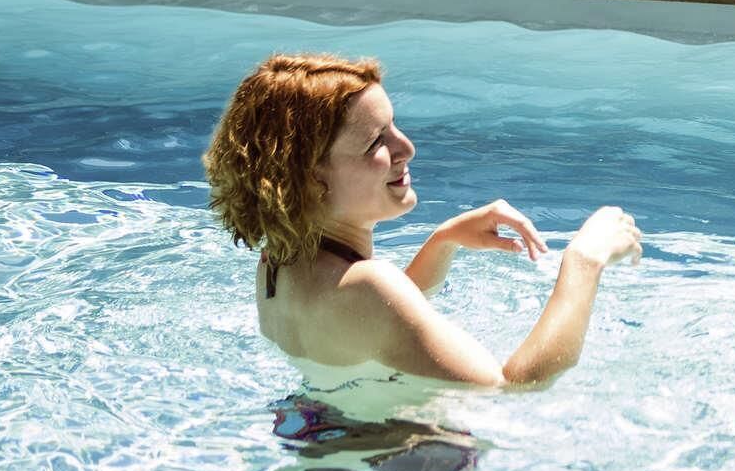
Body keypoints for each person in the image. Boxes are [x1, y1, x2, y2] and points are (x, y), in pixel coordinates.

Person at [204, 52, 641, 389]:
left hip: (326, 440)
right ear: (312, 181)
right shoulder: (369, 286)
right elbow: (513, 390)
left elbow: (372, 325)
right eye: (377, 140)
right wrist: (585, 260)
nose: (406, 147)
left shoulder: (277, 263)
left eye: (394, 126)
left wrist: (443, 240)